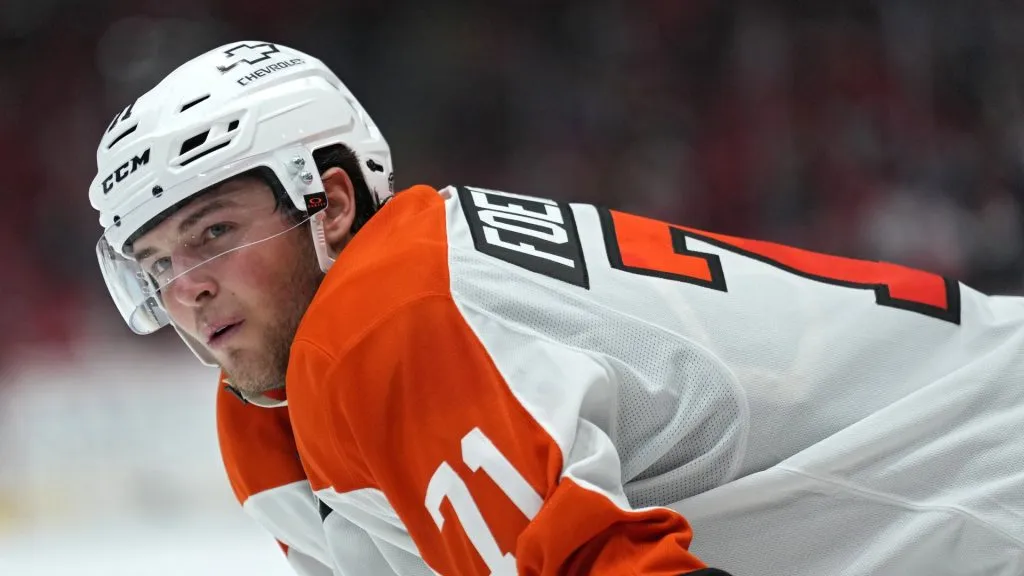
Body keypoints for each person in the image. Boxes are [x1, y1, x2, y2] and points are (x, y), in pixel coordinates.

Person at [88, 41, 1024, 576]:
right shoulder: (275, 406)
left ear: (329, 203)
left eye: (213, 233)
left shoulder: (388, 316)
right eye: (157, 263)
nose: (186, 288)